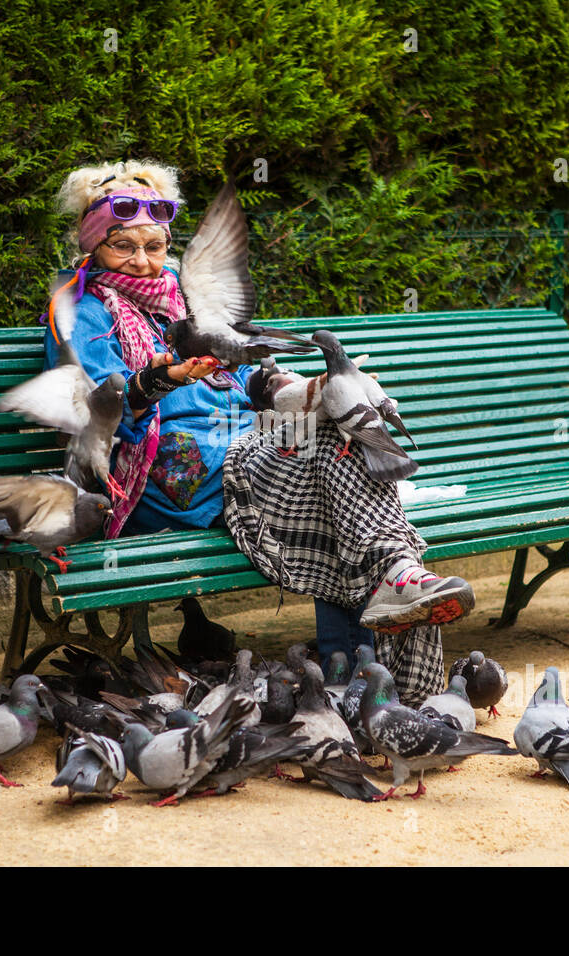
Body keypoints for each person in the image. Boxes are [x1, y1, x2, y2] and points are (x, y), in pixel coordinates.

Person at [44, 160, 474, 705]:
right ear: (93, 243)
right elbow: (93, 411)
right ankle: (381, 669)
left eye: (153, 245)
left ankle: (384, 619)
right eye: (123, 245)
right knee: (330, 465)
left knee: (342, 444)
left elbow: (248, 375)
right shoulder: (79, 308)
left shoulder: (181, 295)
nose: (143, 260)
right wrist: (161, 377)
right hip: (163, 472)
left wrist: (308, 392)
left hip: (244, 451)